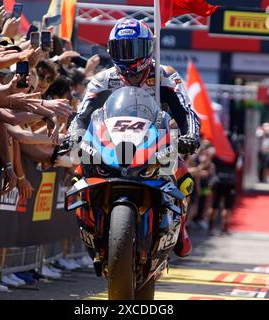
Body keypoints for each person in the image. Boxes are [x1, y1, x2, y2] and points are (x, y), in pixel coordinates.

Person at [64, 18, 201, 257]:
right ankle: (88, 223)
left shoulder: (165, 75)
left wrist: (191, 135)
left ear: (148, 49)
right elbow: (82, 113)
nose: (127, 56)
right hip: (112, 142)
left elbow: (187, 111)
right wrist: (74, 134)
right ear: (111, 50)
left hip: (154, 141)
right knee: (79, 173)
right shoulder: (102, 78)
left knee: (184, 180)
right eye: (120, 49)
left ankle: (180, 229)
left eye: (133, 48)